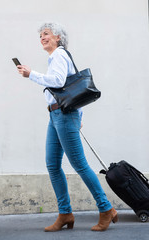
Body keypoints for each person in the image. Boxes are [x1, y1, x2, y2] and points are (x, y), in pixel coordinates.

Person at [17, 22, 118, 232]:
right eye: (41, 35)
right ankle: (65, 214)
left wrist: (31, 74)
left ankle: (106, 208)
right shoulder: (54, 57)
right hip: (56, 115)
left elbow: (58, 81)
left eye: (46, 34)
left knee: (79, 165)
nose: (42, 38)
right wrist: (78, 114)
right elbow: (72, 91)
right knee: (52, 165)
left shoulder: (60, 55)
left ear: (58, 38)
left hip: (63, 116)